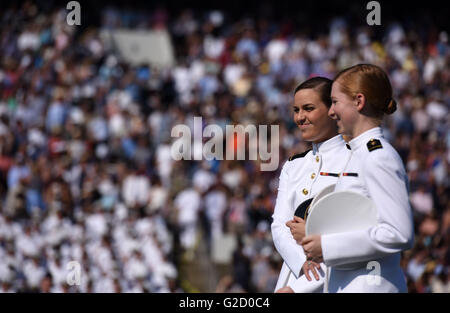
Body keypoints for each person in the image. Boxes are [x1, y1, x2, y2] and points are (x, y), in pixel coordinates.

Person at [302, 64, 414, 292]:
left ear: (359, 101)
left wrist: (327, 245)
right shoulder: (359, 153)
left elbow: (399, 233)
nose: (331, 112)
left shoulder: (377, 156)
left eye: (335, 102)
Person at [271, 77, 351, 293]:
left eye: (308, 108)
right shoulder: (293, 165)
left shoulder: (354, 159)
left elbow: (351, 233)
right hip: (293, 274)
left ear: (332, 110)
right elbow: (279, 226)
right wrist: (302, 265)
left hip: (336, 279)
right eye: (296, 110)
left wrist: (302, 286)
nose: (300, 117)